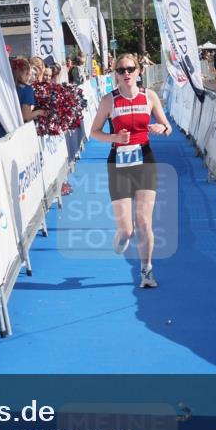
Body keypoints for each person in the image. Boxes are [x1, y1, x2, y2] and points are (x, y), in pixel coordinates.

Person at [89, 54, 172, 289]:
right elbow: (94, 131)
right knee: (127, 230)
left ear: (138, 71)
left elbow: (168, 127)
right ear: (115, 74)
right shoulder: (109, 100)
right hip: (119, 163)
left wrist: (161, 127)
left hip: (145, 159)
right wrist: (114, 137)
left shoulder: (149, 96)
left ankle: (146, 270)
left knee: (144, 221)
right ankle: (122, 236)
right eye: (121, 69)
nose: (126, 73)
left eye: (130, 68)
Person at [12, 58, 46, 123]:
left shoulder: (8, 86)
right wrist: (39, 112)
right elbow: (26, 117)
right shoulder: (27, 89)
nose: (29, 76)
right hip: (17, 127)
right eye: (27, 73)